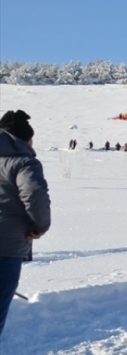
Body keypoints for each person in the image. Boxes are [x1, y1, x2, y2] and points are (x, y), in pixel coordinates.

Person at [0, 111, 50, 338]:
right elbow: (34, 193)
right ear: (23, 139)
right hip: (5, 248)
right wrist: (40, 226)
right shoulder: (23, 162)